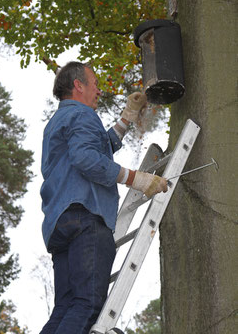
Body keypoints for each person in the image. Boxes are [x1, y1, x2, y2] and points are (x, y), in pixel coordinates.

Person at [39, 61, 167, 334]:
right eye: (95, 84)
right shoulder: (83, 115)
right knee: (87, 304)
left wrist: (127, 117)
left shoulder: (57, 123)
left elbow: (95, 149)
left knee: (65, 308)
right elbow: (88, 158)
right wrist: (138, 179)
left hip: (60, 224)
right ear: (78, 85)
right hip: (86, 217)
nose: (99, 91)